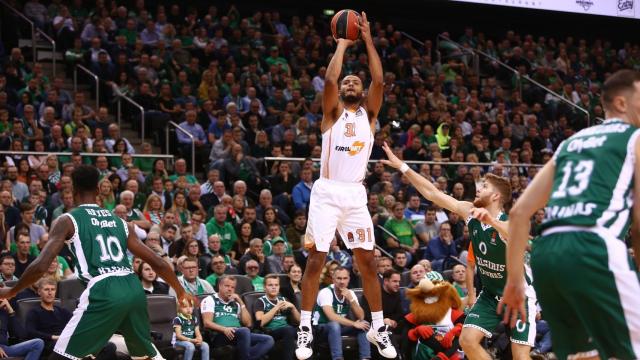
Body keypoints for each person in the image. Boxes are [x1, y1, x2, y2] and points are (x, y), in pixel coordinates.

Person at [501, 69, 640, 360]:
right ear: (622, 103)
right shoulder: (635, 137)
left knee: (584, 355)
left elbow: (518, 213)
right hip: (594, 247)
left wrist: (514, 281)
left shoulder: (571, 143)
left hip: (546, 255)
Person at [0, 164, 190, 360]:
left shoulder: (67, 220)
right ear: (98, 190)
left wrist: (12, 290)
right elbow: (157, 261)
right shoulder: (120, 222)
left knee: (61, 356)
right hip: (133, 287)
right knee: (145, 355)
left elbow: (41, 265)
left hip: (104, 288)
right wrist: (181, 291)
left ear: (73, 191)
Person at [296, 12, 396, 359]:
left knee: (368, 262)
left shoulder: (368, 116)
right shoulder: (332, 114)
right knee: (316, 260)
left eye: (357, 82)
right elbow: (329, 80)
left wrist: (367, 40)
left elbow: (379, 81)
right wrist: (341, 43)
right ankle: (305, 328)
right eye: (348, 83)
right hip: (326, 191)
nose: (352, 84)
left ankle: (379, 328)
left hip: (354, 193)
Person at [380, 143, 536, 360]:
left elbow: (519, 237)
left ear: (495, 197)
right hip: (491, 294)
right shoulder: (469, 212)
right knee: (467, 340)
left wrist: (491, 221)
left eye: (484, 188)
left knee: (520, 356)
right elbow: (432, 193)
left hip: (519, 296)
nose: (478, 189)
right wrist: (403, 167)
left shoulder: (506, 223)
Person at [201, 275, 274, 359]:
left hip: (239, 334)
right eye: (227, 286)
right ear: (220, 286)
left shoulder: (235, 303)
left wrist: (240, 302)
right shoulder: (210, 300)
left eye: (232, 287)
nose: (230, 289)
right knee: (244, 331)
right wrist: (224, 329)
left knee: (268, 339)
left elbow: (248, 324)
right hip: (220, 334)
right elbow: (207, 323)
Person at [313, 266, 371, 360]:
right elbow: (331, 316)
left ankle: (365, 358)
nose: (342, 281)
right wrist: (353, 323)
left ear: (349, 279)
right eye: (339, 278)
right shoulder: (326, 292)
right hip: (321, 328)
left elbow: (361, 316)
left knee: (364, 324)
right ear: (333, 279)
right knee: (334, 325)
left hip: (339, 328)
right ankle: (338, 358)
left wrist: (351, 300)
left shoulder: (350, 293)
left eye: (345, 278)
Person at [255, 274, 300, 360]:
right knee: (288, 330)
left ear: (279, 287)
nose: (274, 287)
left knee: (308, 329)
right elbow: (260, 322)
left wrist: (293, 308)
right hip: (271, 331)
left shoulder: (284, 300)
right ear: (264, 287)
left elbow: (299, 321)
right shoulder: (260, 301)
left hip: (287, 330)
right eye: (270, 285)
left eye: (276, 285)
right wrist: (276, 307)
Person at [26, 277, 73, 356]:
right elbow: (31, 332)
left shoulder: (63, 311)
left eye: (53, 289)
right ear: (39, 292)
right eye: (46, 289)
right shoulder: (34, 312)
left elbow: (76, 324)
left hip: (65, 341)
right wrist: (53, 337)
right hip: (48, 345)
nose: (50, 293)